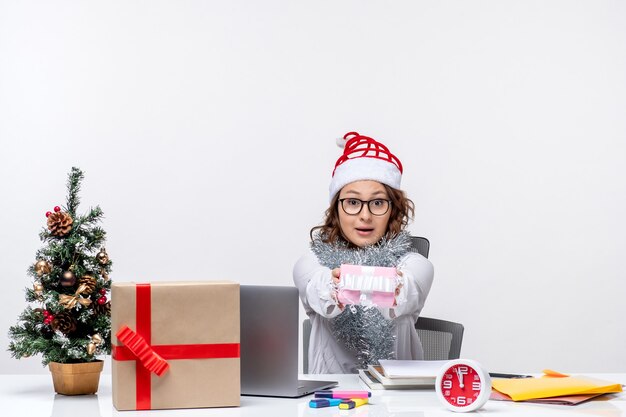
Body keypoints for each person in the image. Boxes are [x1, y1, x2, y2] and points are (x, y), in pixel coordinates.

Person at [293, 131, 434, 374]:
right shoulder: (312, 263)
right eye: (353, 202)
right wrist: (333, 285)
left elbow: (405, 291)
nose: (365, 215)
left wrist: (355, 283)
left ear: (393, 210)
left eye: (378, 203)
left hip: (397, 400)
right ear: (336, 209)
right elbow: (318, 289)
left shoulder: (416, 264)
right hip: (331, 398)